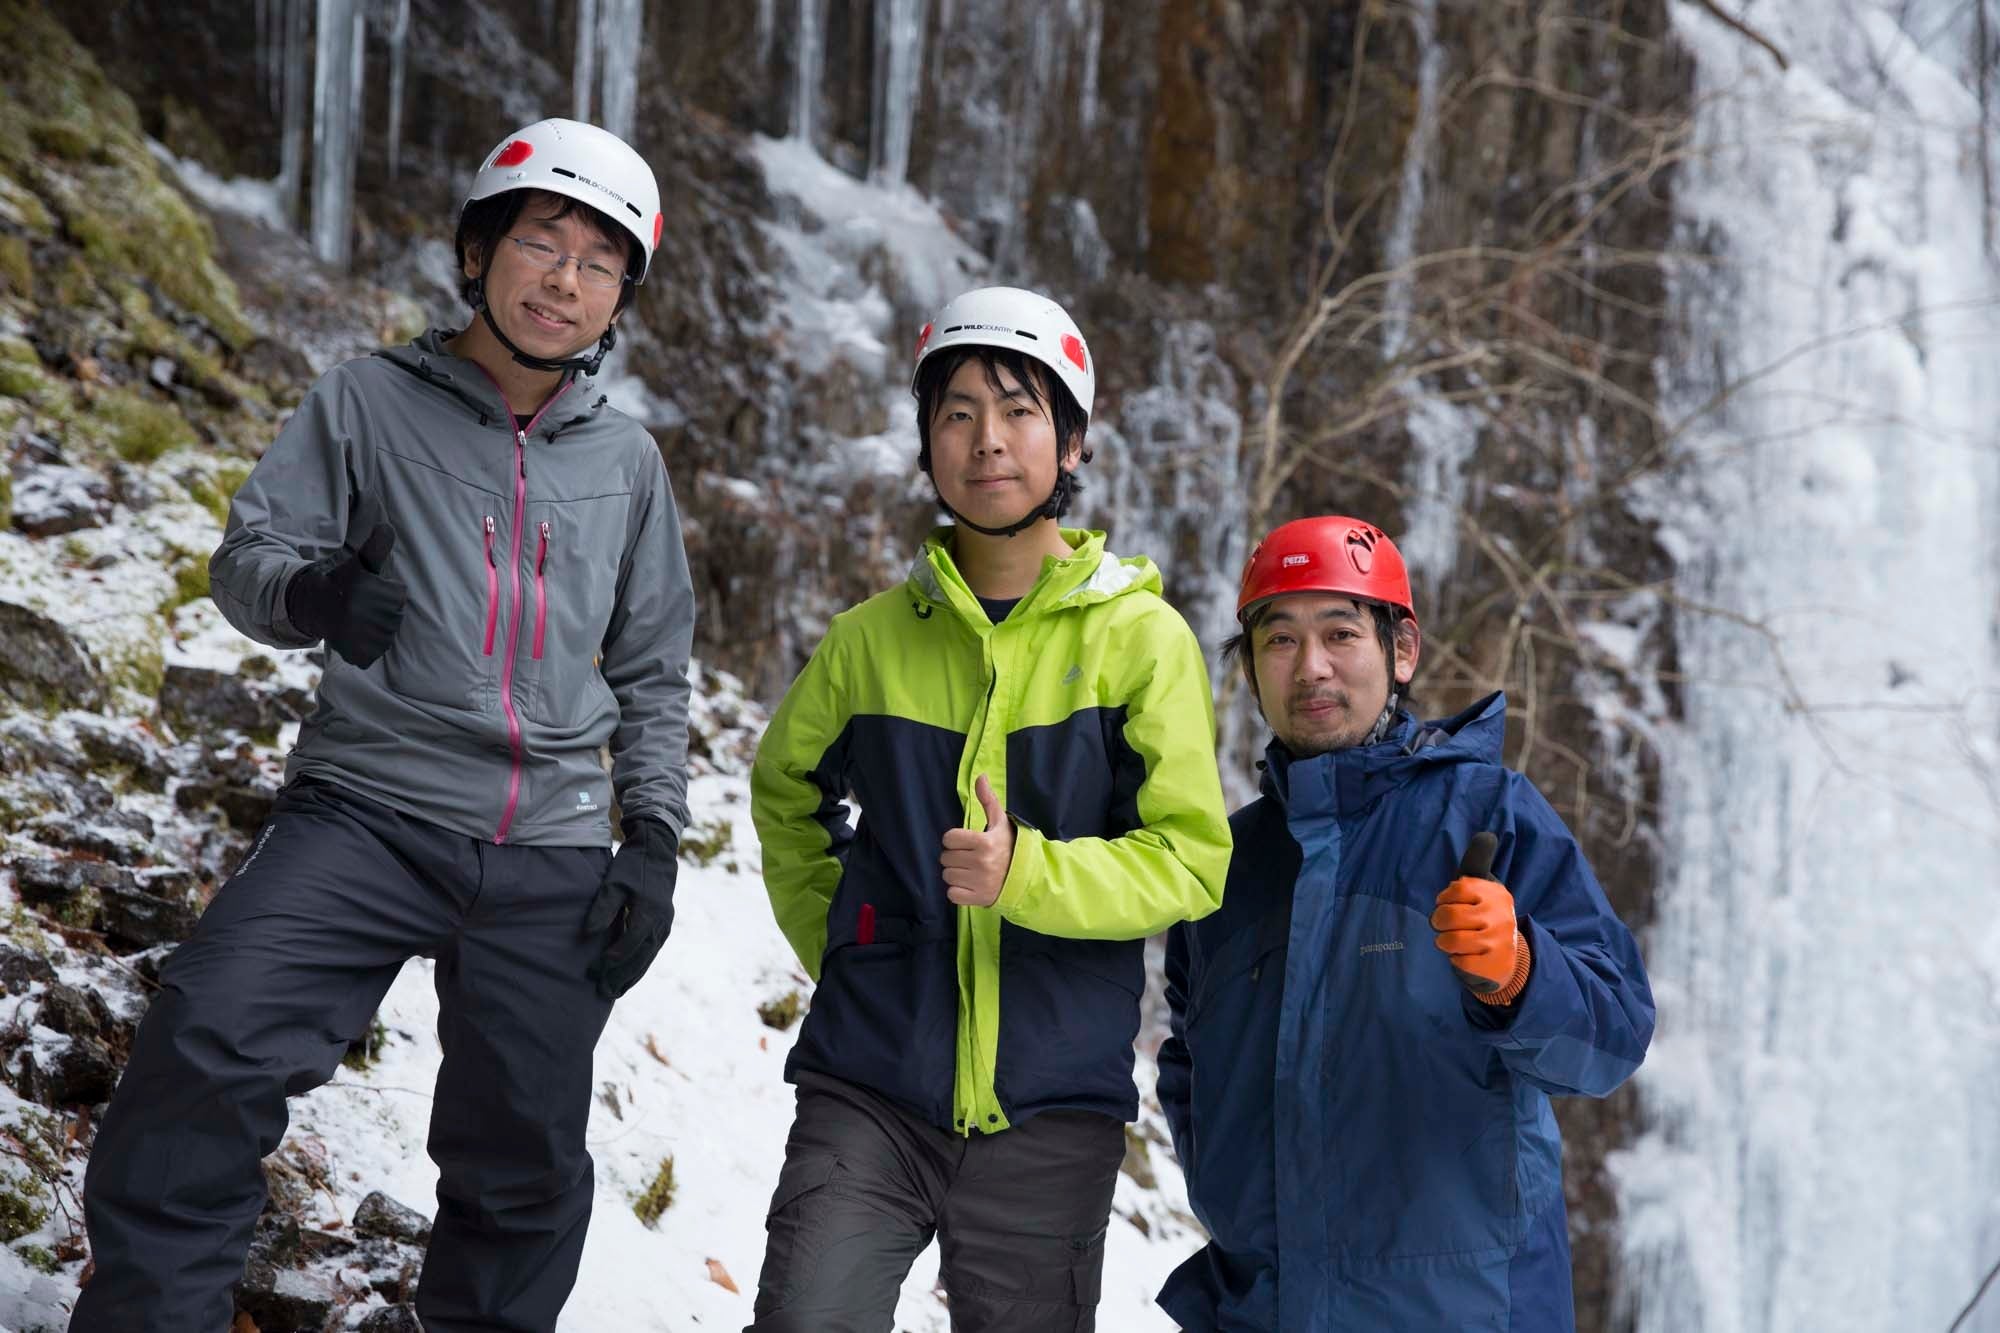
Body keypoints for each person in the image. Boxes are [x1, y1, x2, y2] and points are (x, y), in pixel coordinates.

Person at [71, 118, 693, 1333]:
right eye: (541, 242)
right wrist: (315, 596)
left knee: (524, 1166)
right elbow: (249, 554)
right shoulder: (365, 401)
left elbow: (654, 669)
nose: (563, 279)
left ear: (620, 297)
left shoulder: (628, 462)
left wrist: (655, 840)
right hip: (369, 807)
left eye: (598, 262)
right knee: (208, 1038)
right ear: (478, 253)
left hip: (552, 846)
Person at [746, 286, 1232, 1331]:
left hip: (1052, 1106)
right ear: (926, 445)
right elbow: (785, 792)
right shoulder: (869, 641)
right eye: (956, 412)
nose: (987, 440)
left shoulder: (1141, 643)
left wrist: (1028, 876)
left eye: (1019, 410)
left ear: (1070, 441)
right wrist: (844, 939)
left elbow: (1191, 859)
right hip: (869, 1084)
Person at [1155, 515, 1654, 1332]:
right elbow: (1191, 1068)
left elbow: (1614, 1035)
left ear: (1403, 649)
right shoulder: (1227, 865)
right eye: (1278, 640)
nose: (1310, 666)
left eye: (1340, 632)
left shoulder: (1488, 816)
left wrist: (1523, 978)